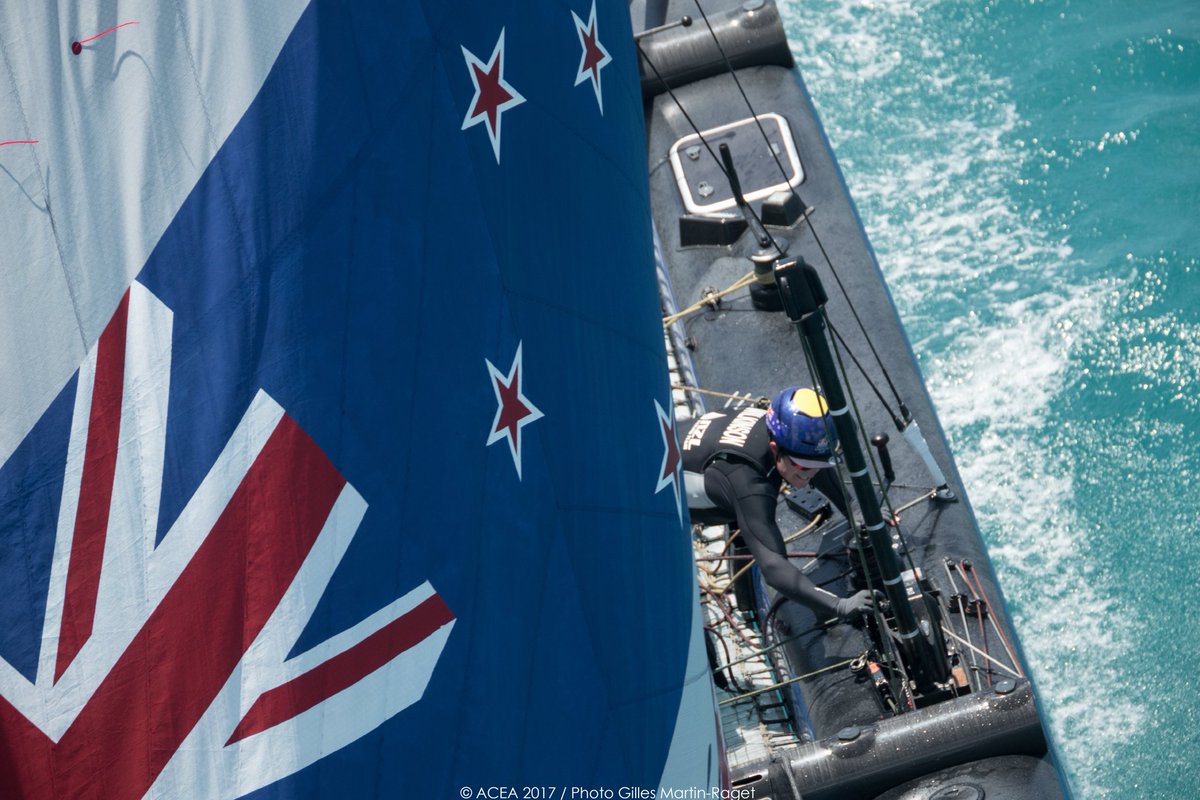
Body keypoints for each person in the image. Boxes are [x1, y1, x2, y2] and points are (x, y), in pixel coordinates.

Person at [681, 386, 873, 621]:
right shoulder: (750, 485)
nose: (811, 473)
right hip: (654, 501)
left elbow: (812, 457)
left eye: (821, 465)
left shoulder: (777, 431)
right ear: (775, 449)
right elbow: (773, 568)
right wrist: (840, 606)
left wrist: (855, 512)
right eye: (802, 466)